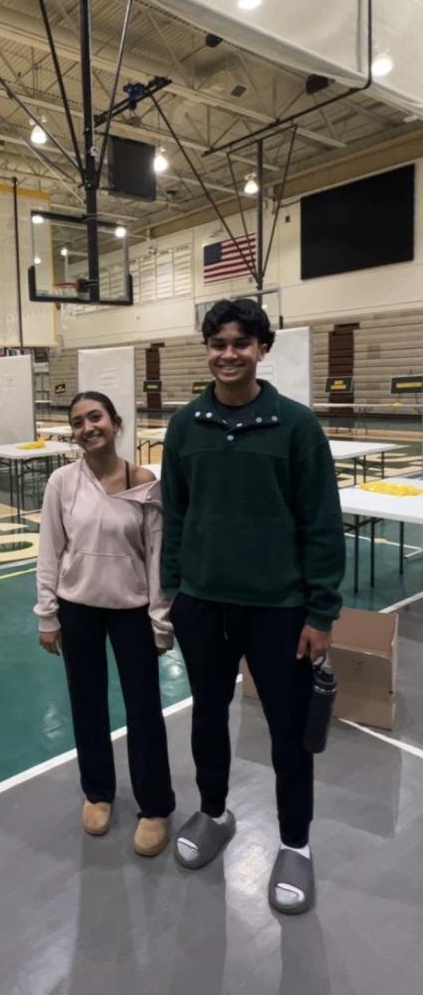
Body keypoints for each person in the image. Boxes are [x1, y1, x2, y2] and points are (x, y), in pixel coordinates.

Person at [160, 298, 345, 914]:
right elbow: (175, 515)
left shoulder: (296, 426)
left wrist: (320, 613)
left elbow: (322, 524)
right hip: (202, 607)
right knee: (208, 719)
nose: (228, 354)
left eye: (241, 343)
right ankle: (214, 813)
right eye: (218, 343)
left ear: (262, 349)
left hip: (279, 611)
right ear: (207, 350)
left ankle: (295, 844)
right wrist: (173, 591)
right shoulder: (185, 426)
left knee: (288, 733)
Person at [35, 391, 175, 856]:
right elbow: (49, 551)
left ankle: (155, 807)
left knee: (144, 708)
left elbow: (156, 556)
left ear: (115, 422)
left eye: (95, 417)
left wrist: (160, 620)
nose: (87, 428)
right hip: (77, 610)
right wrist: (47, 614)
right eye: (77, 422)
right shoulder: (62, 482)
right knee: (87, 703)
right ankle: (98, 793)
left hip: (132, 611)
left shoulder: (144, 481)